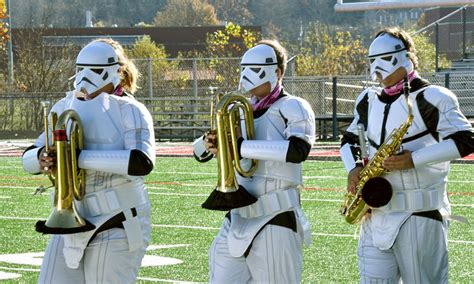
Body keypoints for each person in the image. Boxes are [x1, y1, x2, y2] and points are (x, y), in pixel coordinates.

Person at [340, 27, 474, 283]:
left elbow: (466, 139)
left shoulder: (433, 97)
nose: (378, 70)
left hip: (420, 213)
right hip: (374, 213)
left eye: (386, 59)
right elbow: (348, 139)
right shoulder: (367, 100)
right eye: (373, 62)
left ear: (407, 57)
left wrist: (414, 159)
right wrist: (353, 167)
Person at [22, 38, 155, 283]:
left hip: (116, 221)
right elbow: (29, 155)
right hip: (70, 222)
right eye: (81, 69)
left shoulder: (131, 110)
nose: (86, 78)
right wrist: (41, 158)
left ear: (116, 70)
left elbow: (141, 162)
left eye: (94, 70)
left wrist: (77, 158)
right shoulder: (64, 106)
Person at [193, 39, 315, 283]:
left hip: (276, 215)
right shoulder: (237, 110)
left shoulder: (293, 106)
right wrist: (209, 141)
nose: (248, 76)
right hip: (236, 217)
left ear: (278, 72)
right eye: (245, 68)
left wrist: (240, 147)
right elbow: (198, 154)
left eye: (257, 69)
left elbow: (297, 150)